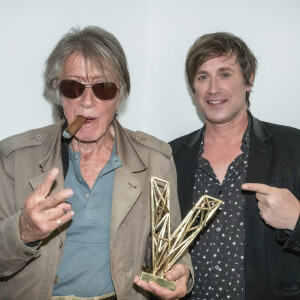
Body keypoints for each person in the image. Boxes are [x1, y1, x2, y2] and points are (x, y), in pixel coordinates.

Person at [0, 26, 192, 300]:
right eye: (73, 86)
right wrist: (22, 231)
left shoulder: (155, 159)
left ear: (120, 94)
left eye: (103, 88)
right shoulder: (14, 158)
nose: (87, 101)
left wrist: (179, 271)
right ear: (58, 92)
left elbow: (169, 249)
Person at [170, 32, 300, 299]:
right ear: (193, 88)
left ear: (248, 80)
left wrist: (297, 219)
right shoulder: (169, 155)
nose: (213, 88)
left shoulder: (293, 146)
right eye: (202, 76)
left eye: (225, 74)